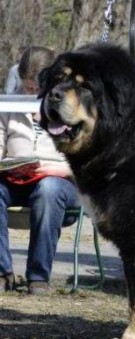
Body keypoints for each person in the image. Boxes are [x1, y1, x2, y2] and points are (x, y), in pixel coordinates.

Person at [0, 46, 80, 295]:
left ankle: (38, 277)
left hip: (58, 185)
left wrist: (50, 167)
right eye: (28, 88)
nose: (32, 93)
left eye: (37, 89)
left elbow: (82, 157)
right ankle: (3, 272)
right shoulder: (9, 105)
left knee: (48, 188)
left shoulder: (70, 108)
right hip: (16, 179)